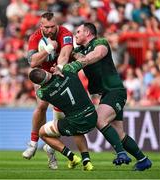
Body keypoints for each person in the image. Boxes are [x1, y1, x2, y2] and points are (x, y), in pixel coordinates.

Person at [58, 22, 152, 171]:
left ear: (87, 33)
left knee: (99, 119)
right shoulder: (80, 51)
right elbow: (72, 55)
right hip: (107, 94)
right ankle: (143, 160)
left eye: (78, 32)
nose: (75, 35)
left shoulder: (100, 42)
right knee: (120, 134)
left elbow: (98, 54)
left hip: (115, 91)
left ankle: (120, 153)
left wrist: (78, 63)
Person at [22, 11, 90, 170]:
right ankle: (33, 143)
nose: (50, 30)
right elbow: (32, 62)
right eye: (47, 27)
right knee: (41, 106)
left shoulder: (65, 34)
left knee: (62, 112)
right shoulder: (35, 37)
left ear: (57, 24)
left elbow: (65, 54)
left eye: (53, 26)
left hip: (60, 73)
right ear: (41, 26)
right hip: (43, 75)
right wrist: (48, 48)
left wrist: (59, 68)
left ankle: (51, 150)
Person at [28, 68, 97, 171]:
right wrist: (58, 67)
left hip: (74, 120)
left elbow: (40, 92)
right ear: (46, 71)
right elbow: (80, 63)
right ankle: (87, 161)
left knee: (42, 132)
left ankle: (72, 157)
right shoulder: (67, 71)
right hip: (92, 115)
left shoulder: (43, 93)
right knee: (78, 132)